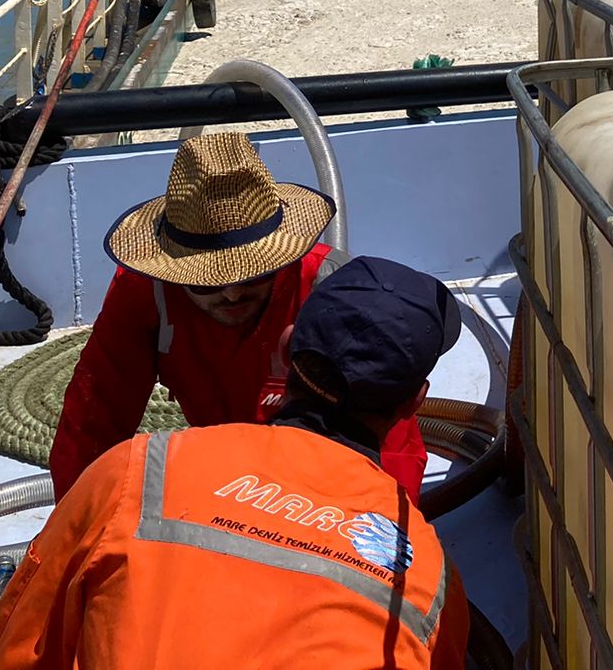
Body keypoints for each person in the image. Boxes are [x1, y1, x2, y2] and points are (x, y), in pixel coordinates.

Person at [0, 256, 471, 669]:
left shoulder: (133, 473)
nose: (231, 294)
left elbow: (12, 651)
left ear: (285, 347)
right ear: (414, 403)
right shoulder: (430, 577)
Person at [48, 130, 428, 500]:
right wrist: (78, 528)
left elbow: (391, 446)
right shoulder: (143, 292)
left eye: (255, 274)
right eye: (206, 281)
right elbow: (92, 422)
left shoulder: (330, 292)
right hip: (221, 469)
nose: (231, 292)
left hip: (323, 482)